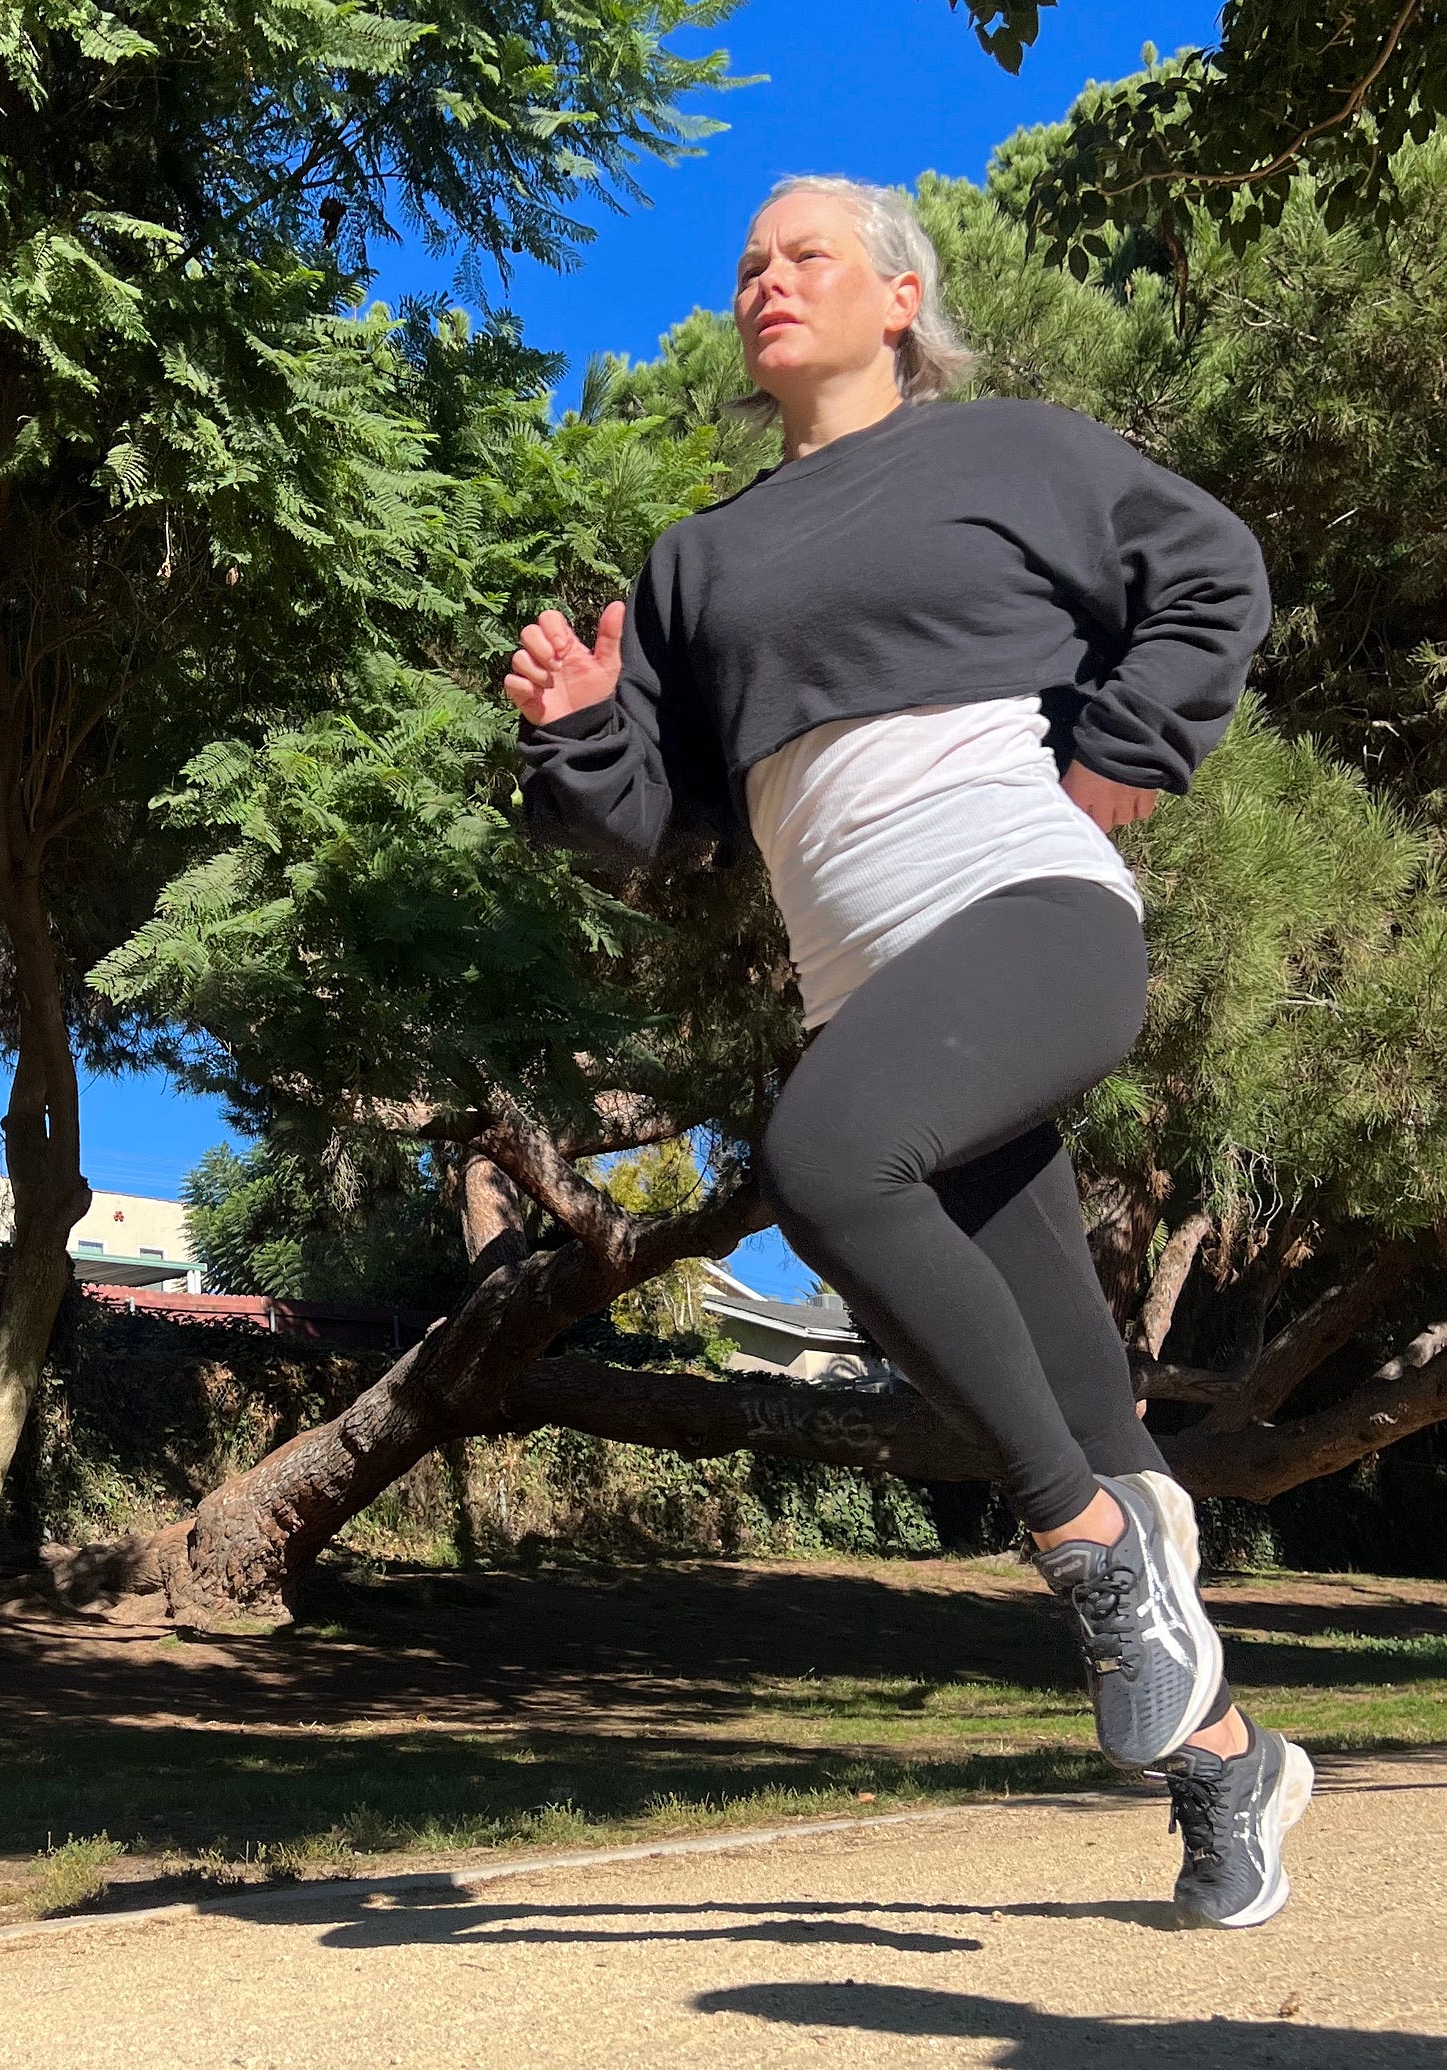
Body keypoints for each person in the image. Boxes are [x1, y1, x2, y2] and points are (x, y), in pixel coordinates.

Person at [504, 173, 1314, 1930]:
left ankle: (1081, 1553)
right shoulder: (697, 558)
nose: (764, 284)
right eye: (745, 269)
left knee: (821, 1159)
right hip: (871, 1001)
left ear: (900, 296)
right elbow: (662, 831)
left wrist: (1118, 761)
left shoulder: (1013, 451)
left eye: (803, 257)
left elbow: (1212, 571)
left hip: (1031, 913)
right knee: (1095, 1425)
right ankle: (1232, 1766)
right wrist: (579, 737)